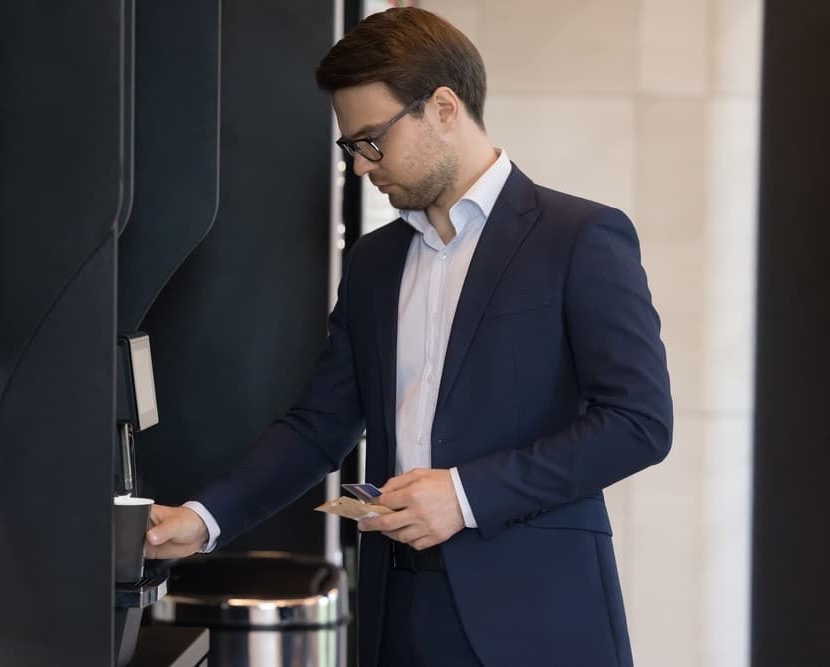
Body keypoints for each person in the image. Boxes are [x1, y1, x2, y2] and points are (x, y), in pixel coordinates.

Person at [144, 7, 672, 666]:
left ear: (443, 109)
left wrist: (464, 496)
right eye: (351, 148)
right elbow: (320, 426)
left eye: (372, 140)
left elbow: (639, 422)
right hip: (397, 610)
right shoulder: (374, 261)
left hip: (537, 616)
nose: (362, 167)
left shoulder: (580, 237)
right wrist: (203, 518)